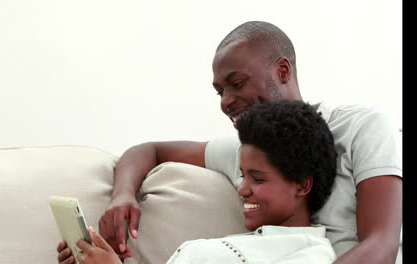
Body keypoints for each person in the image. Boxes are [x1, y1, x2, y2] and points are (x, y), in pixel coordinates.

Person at [99, 21, 402, 264]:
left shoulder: (362, 126)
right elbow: (149, 151)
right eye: (220, 91)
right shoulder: (246, 152)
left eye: (237, 83)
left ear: (282, 71)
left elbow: (382, 245)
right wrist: (122, 195)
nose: (226, 102)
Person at [57, 100, 339, 264]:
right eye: (243, 175)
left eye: (258, 178)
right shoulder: (252, 244)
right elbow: (149, 149)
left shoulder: (310, 256)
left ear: (302, 185)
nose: (242, 188)